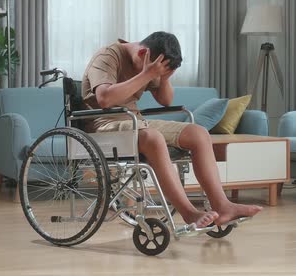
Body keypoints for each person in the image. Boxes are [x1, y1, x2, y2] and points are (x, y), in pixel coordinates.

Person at [81, 31, 262, 228]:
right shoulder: (108, 56)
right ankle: (189, 213)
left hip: (134, 121)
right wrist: (147, 74)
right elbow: (105, 99)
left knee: (198, 133)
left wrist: (164, 78)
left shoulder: (149, 63)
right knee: (153, 138)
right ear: (143, 54)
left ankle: (222, 205)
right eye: (156, 72)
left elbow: (165, 100)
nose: (154, 76)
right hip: (102, 124)